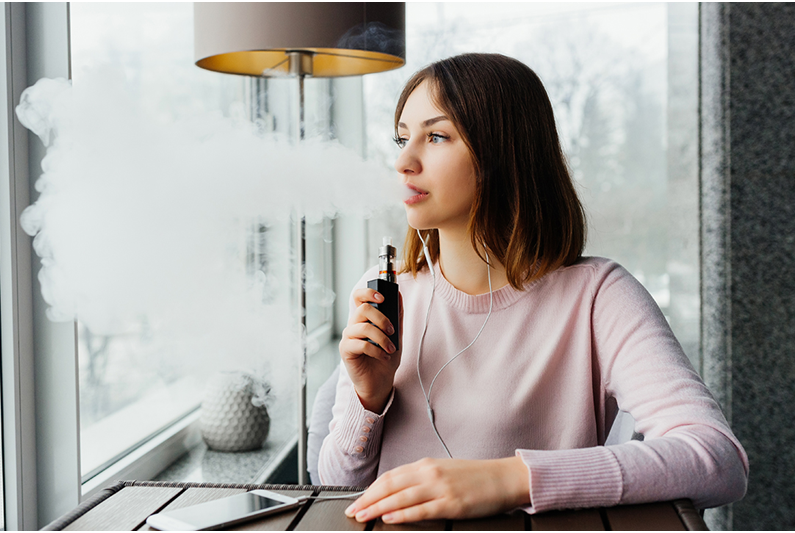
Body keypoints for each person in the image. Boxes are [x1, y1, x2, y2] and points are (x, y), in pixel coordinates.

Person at [317, 53, 748, 525]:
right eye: (402, 138)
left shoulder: (598, 297)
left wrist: (508, 480)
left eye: (436, 136)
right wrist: (369, 399)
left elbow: (717, 459)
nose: (403, 161)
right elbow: (337, 493)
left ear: (505, 153)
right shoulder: (385, 291)